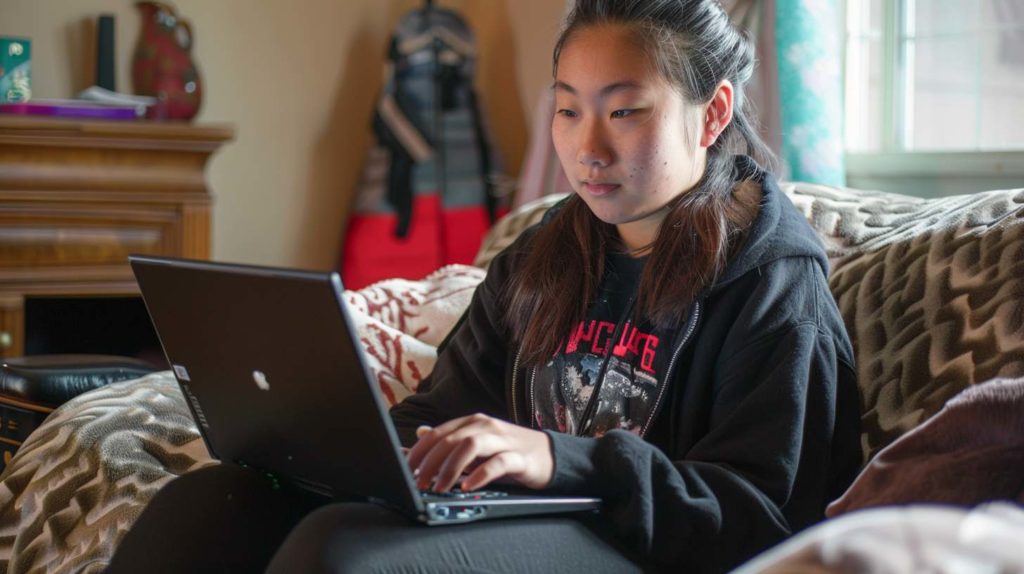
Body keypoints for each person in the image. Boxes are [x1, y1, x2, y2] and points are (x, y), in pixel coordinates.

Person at [108, 0, 862, 572]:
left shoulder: (772, 285)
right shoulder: (546, 253)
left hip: (642, 548)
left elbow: (762, 520)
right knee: (212, 502)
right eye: (568, 110)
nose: (587, 148)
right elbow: (446, 408)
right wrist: (339, 448)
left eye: (624, 112)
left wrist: (554, 457)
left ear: (712, 114)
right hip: (523, 517)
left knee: (341, 550)